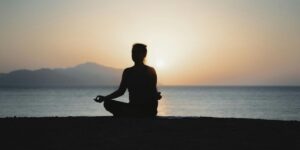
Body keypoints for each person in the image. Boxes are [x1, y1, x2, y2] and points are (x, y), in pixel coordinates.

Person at [94, 43, 162, 117]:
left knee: (142, 110)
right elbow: (121, 91)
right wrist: (105, 98)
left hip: (146, 109)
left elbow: (153, 91)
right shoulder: (128, 72)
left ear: (144, 54)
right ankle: (130, 114)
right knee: (107, 103)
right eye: (133, 52)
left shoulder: (150, 71)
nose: (134, 55)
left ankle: (132, 115)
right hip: (132, 107)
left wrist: (156, 96)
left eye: (137, 52)